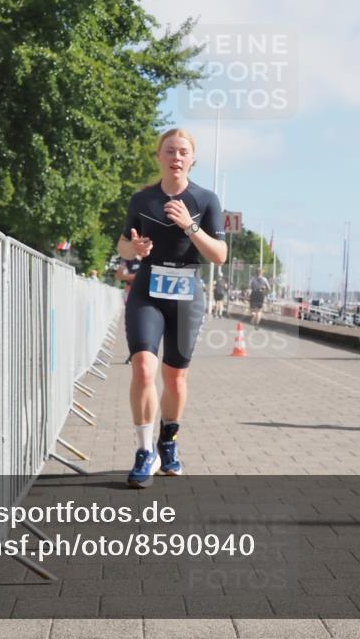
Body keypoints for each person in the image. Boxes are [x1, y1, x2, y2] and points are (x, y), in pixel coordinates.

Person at [117, 128, 227, 488]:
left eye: (183, 152)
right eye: (170, 151)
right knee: (143, 369)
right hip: (147, 289)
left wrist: (189, 225)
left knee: (175, 379)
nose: (176, 157)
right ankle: (144, 450)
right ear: (159, 157)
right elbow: (123, 246)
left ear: (192, 159)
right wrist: (135, 251)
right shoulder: (142, 199)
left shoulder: (206, 200)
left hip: (186, 292)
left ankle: (169, 442)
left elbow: (219, 256)